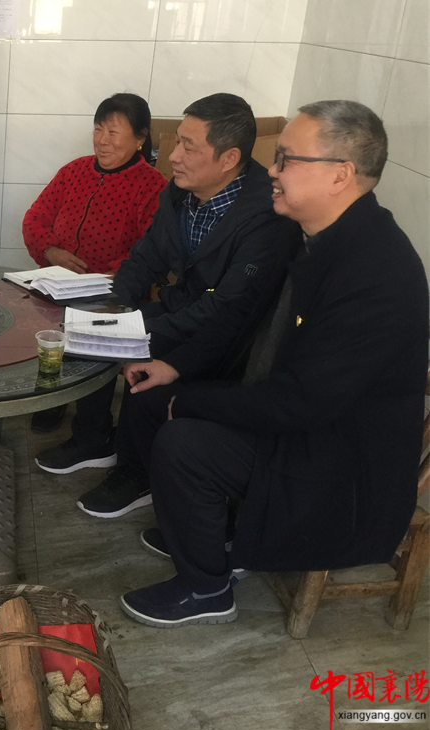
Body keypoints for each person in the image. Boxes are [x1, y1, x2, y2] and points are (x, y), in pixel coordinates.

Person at [120, 100, 429, 628]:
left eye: (287, 159)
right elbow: (251, 332)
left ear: (341, 175)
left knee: (184, 441)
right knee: (156, 395)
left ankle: (206, 588)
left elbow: (300, 403)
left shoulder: (375, 271)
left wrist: (191, 400)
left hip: (340, 462)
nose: (272, 172)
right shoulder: (326, 240)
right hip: (307, 420)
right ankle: (210, 533)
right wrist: (178, 370)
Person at [34, 93, 300, 520]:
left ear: (229, 158)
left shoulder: (265, 217)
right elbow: (146, 258)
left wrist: (140, 328)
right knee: (92, 330)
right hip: (188, 311)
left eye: (188, 147)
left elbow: (229, 309)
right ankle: (95, 441)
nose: (172, 156)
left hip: (234, 338)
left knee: (143, 364)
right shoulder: (180, 192)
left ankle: (138, 474)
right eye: (177, 141)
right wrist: (115, 310)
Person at [22, 93, 167, 432]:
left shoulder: (153, 186)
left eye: (113, 132)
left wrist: (104, 277)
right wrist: (50, 251)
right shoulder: (73, 171)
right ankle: (52, 398)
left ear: (140, 138)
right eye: (98, 129)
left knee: (93, 353)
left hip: (112, 292)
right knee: (41, 334)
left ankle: (92, 429)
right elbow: (34, 218)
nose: (102, 140)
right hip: (58, 283)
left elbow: (150, 248)